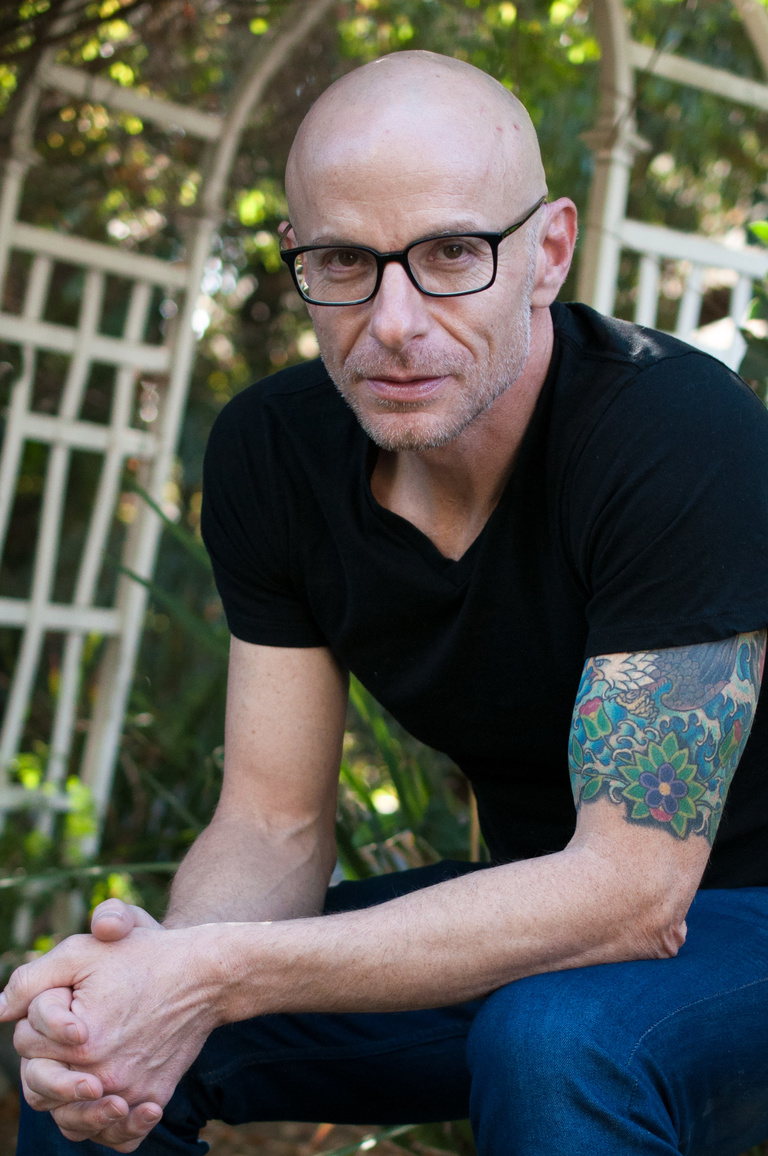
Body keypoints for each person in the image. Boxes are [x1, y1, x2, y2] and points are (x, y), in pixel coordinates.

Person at [3, 49, 768, 1156]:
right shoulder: (275, 453)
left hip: (704, 915)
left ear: (547, 252)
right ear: (295, 258)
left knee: (554, 1039)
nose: (395, 321)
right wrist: (158, 987)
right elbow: (272, 820)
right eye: (345, 260)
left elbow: (629, 894)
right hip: (541, 922)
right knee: (97, 1038)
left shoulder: (675, 438)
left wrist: (218, 970)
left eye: (454, 252)